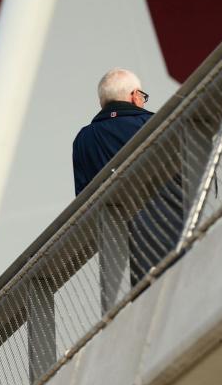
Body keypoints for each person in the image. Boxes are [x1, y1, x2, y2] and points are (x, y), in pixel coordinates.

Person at [72, 68, 181, 283]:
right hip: (170, 232)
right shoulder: (154, 124)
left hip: (116, 248)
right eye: (142, 96)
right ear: (134, 96)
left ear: (102, 102)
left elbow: (83, 197)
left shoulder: (83, 140)